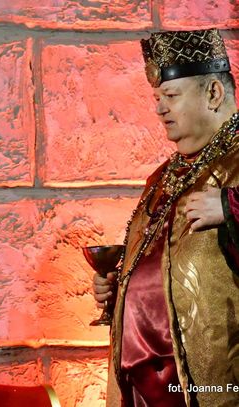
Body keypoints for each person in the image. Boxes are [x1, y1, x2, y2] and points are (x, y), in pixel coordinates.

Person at [92, 29, 239, 407]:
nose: (159, 109)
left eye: (171, 96)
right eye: (157, 98)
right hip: (143, 386)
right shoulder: (162, 178)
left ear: (213, 93)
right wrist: (122, 290)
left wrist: (232, 206)